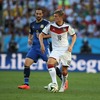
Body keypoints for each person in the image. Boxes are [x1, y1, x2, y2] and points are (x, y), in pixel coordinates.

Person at [18, 7, 62, 89]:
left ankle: (63, 81)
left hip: (44, 47)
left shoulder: (47, 23)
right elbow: (30, 33)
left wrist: (43, 36)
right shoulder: (32, 24)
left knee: (51, 64)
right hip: (34, 47)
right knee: (26, 64)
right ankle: (26, 85)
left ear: (42, 14)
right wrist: (29, 39)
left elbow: (53, 34)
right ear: (35, 14)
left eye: (40, 14)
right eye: (37, 13)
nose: (38, 15)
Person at [39, 9, 77, 92]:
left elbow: (74, 36)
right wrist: (42, 45)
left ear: (61, 17)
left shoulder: (67, 27)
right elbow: (41, 35)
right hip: (56, 49)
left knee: (64, 71)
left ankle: (63, 85)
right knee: (50, 63)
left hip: (66, 50)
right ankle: (54, 83)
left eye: (56, 16)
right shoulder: (50, 26)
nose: (54, 18)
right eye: (54, 16)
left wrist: (71, 45)